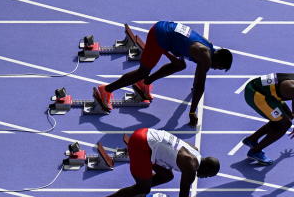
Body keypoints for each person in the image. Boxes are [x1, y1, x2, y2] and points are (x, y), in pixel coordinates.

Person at [93, 21, 232, 126]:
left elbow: (198, 82)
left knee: (179, 64)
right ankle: (105, 90)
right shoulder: (205, 56)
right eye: (219, 67)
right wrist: (192, 112)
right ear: (218, 60)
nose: (215, 69)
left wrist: (196, 88)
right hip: (159, 36)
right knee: (143, 71)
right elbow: (199, 84)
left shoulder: (210, 49)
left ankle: (144, 83)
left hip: (170, 34)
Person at [85, 127, 219, 197]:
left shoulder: (195, 151)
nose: (204, 177)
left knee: (166, 176)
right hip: (142, 144)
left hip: (148, 134)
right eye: (207, 175)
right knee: (143, 187)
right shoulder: (191, 167)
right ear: (206, 168)